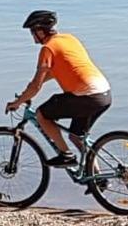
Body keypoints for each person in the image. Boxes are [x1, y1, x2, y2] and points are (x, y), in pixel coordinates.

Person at [8, 9, 111, 170]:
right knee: (77, 137)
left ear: (40, 31)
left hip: (86, 97)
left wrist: (17, 102)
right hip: (103, 94)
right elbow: (56, 72)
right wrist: (26, 92)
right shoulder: (69, 39)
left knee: (42, 115)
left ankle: (66, 155)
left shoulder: (48, 49)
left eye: (32, 32)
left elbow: (36, 86)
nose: (32, 37)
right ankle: (98, 179)